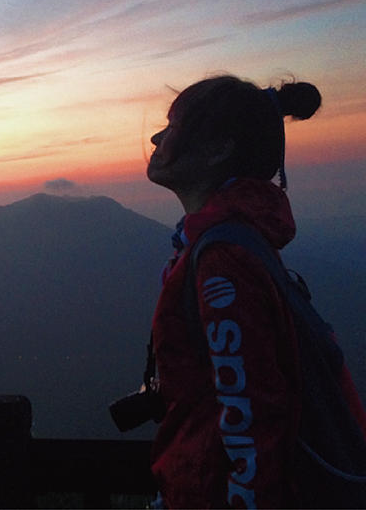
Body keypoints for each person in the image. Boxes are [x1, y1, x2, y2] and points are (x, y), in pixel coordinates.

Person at [145, 75, 366, 508]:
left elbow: (250, 419)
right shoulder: (230, 241)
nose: (157, 138)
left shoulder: (223, 258)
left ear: (218, 150)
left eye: (173, 127)